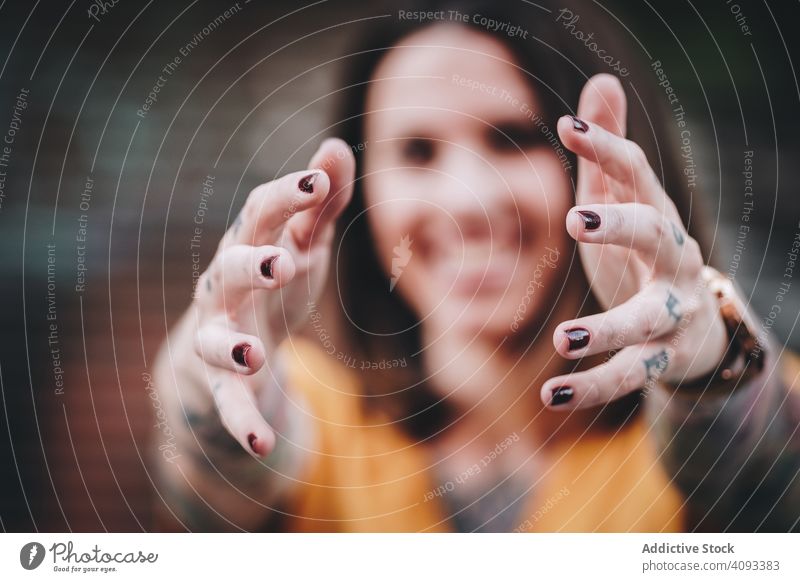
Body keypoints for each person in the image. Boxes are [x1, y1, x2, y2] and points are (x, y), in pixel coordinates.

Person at [152, 0, 800, 532]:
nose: (468, 199)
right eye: (417, 150)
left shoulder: (749, 393)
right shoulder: (316, 417)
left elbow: (764, 494)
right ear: (363, 197)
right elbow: (220, 496)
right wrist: (203, 393)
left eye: (512, 137)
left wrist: (711, 383)